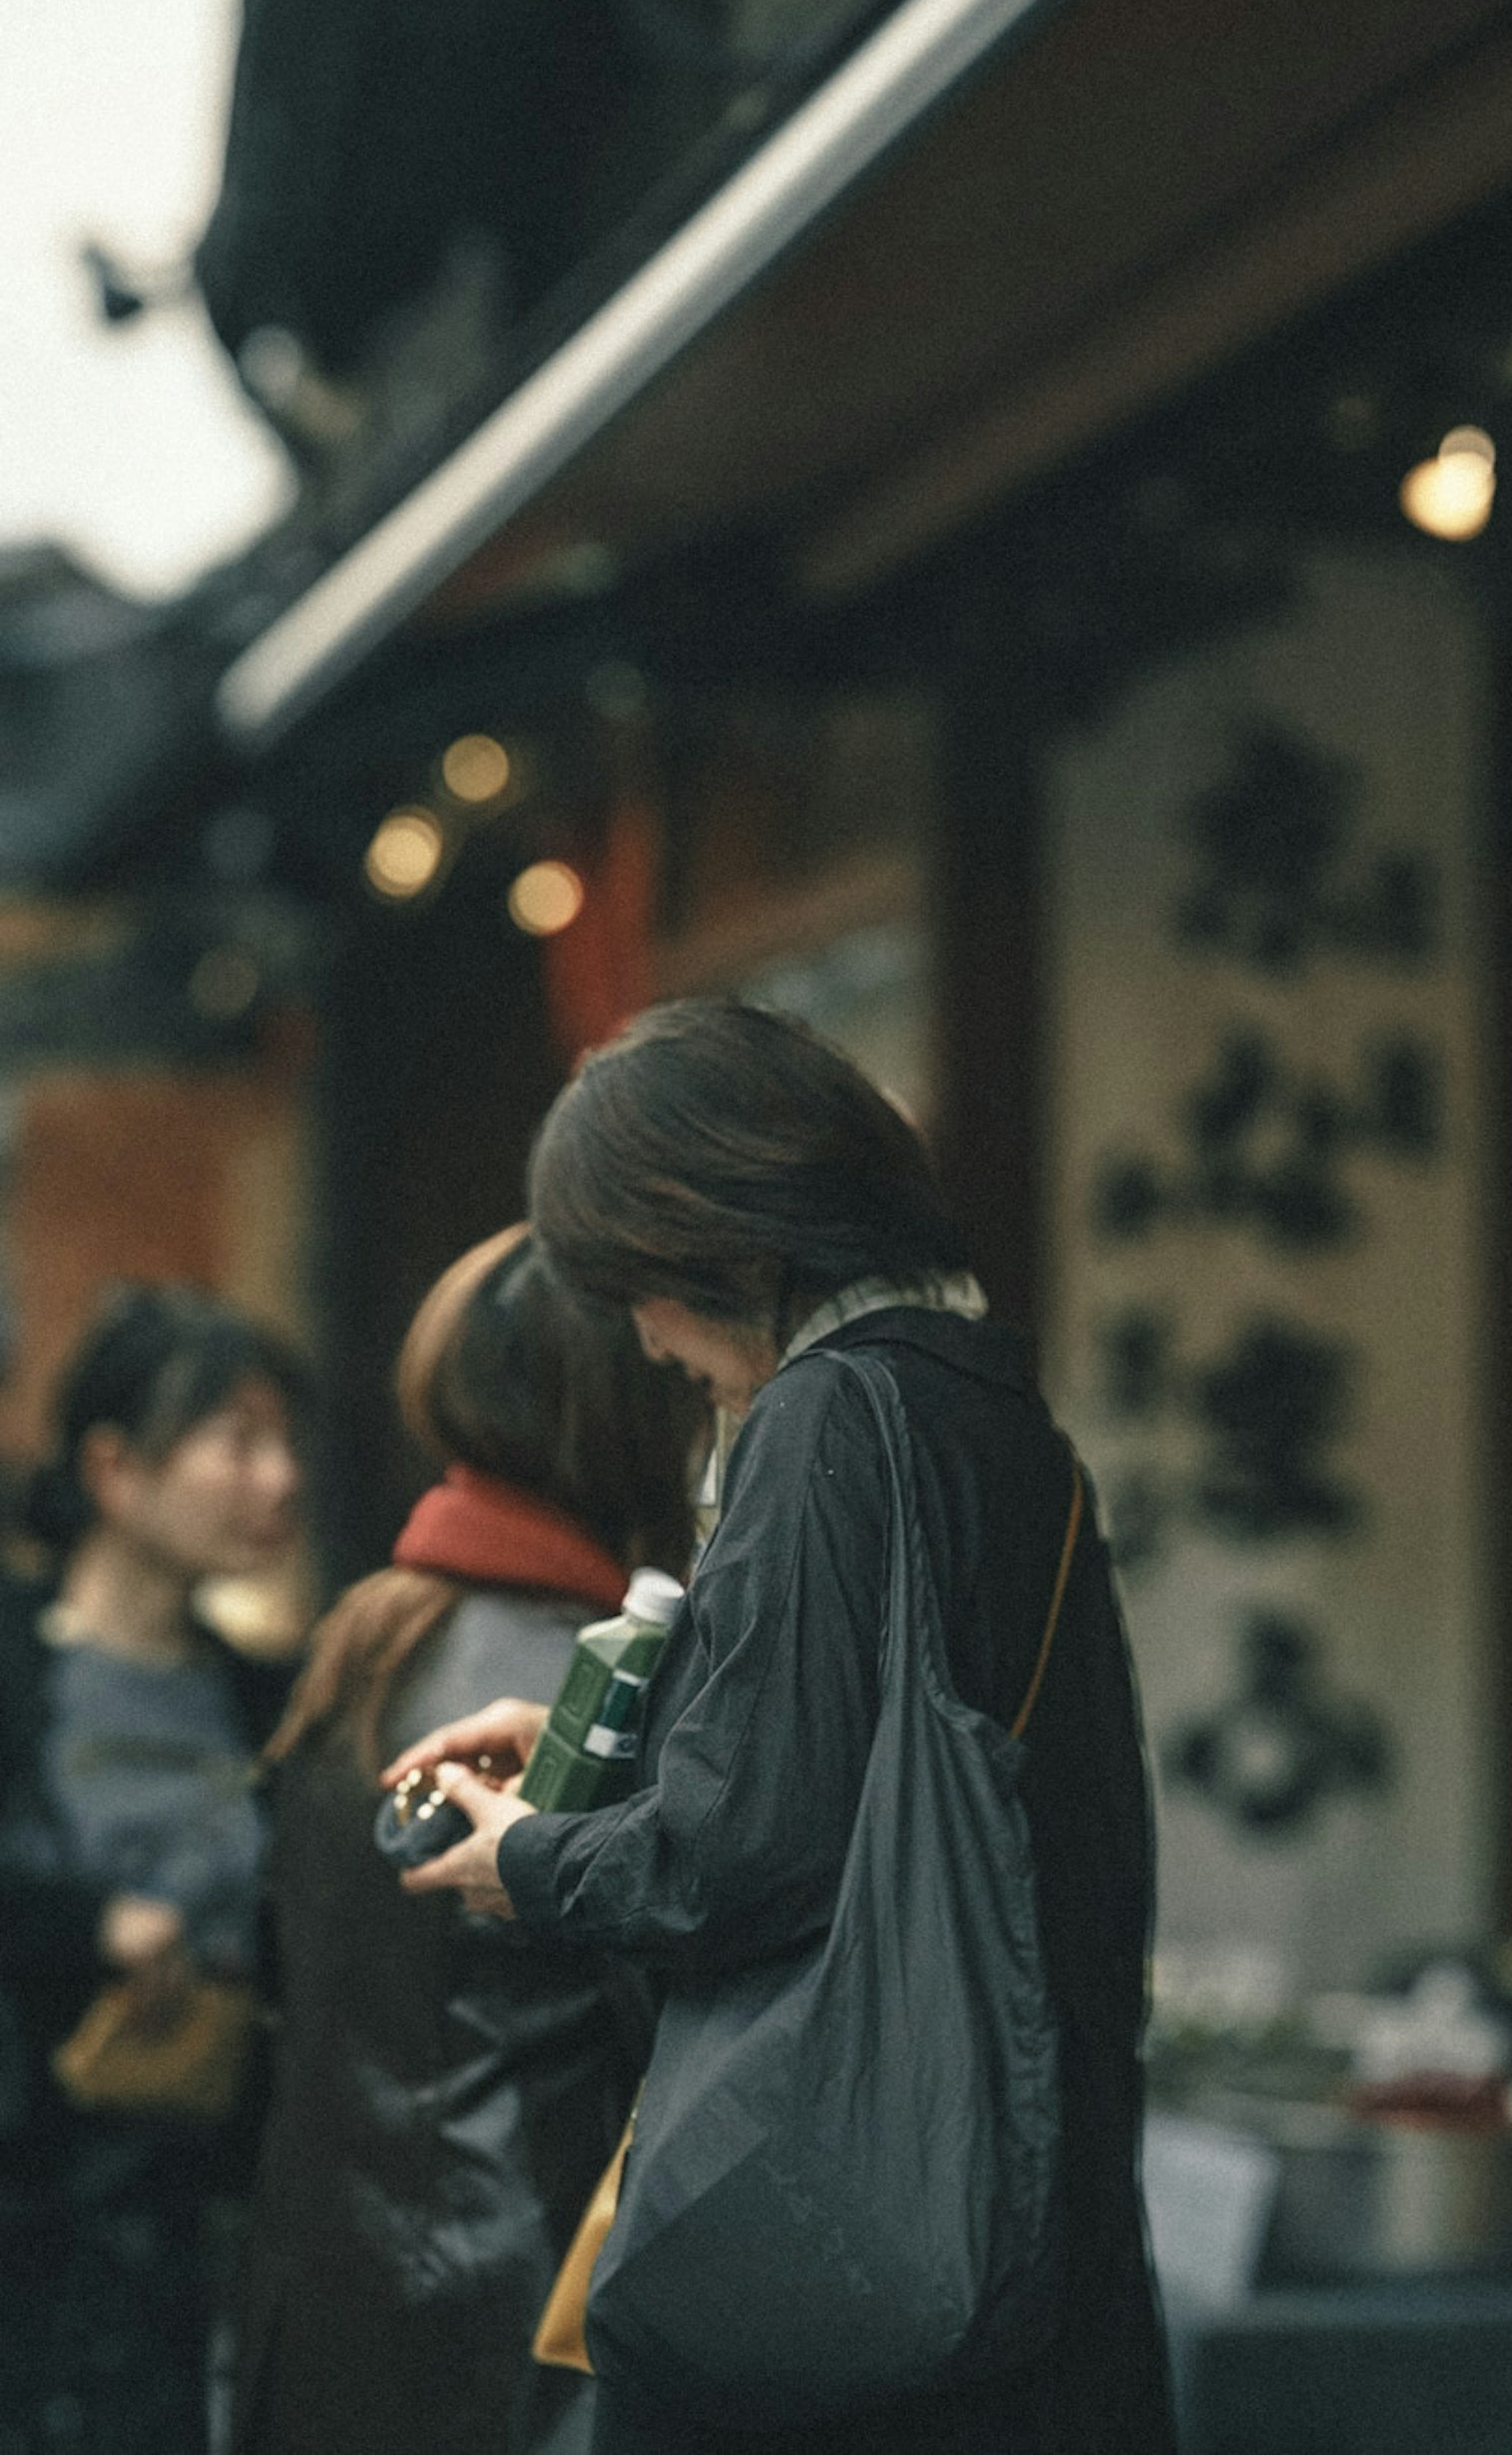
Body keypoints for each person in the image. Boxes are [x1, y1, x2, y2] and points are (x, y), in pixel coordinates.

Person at [391, 1000, 1172, 2455]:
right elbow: (864, 1765)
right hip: (1027, 2182)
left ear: (724, 1241)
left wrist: (536, 1858)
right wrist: (610, 1740)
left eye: (636, 1283)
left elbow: (742, 1851)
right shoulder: (993, 1408)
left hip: (867, 2236)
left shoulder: (825, 1419)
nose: (642, 1335)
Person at [234, 1227, 706, 2455]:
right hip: (523, 2324)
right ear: (631, 1416)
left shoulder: (367, 1632)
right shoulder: (595, 1684)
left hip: (329, 2302)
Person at [0, 1287, 306, 2455]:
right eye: (237, 1440)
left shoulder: (264, 1696)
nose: (278, 1479)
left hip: (196, 2235)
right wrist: (89, 1926)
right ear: (115, 1469)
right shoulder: (15, 1665)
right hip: (31, 2224)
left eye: (286, 1444)